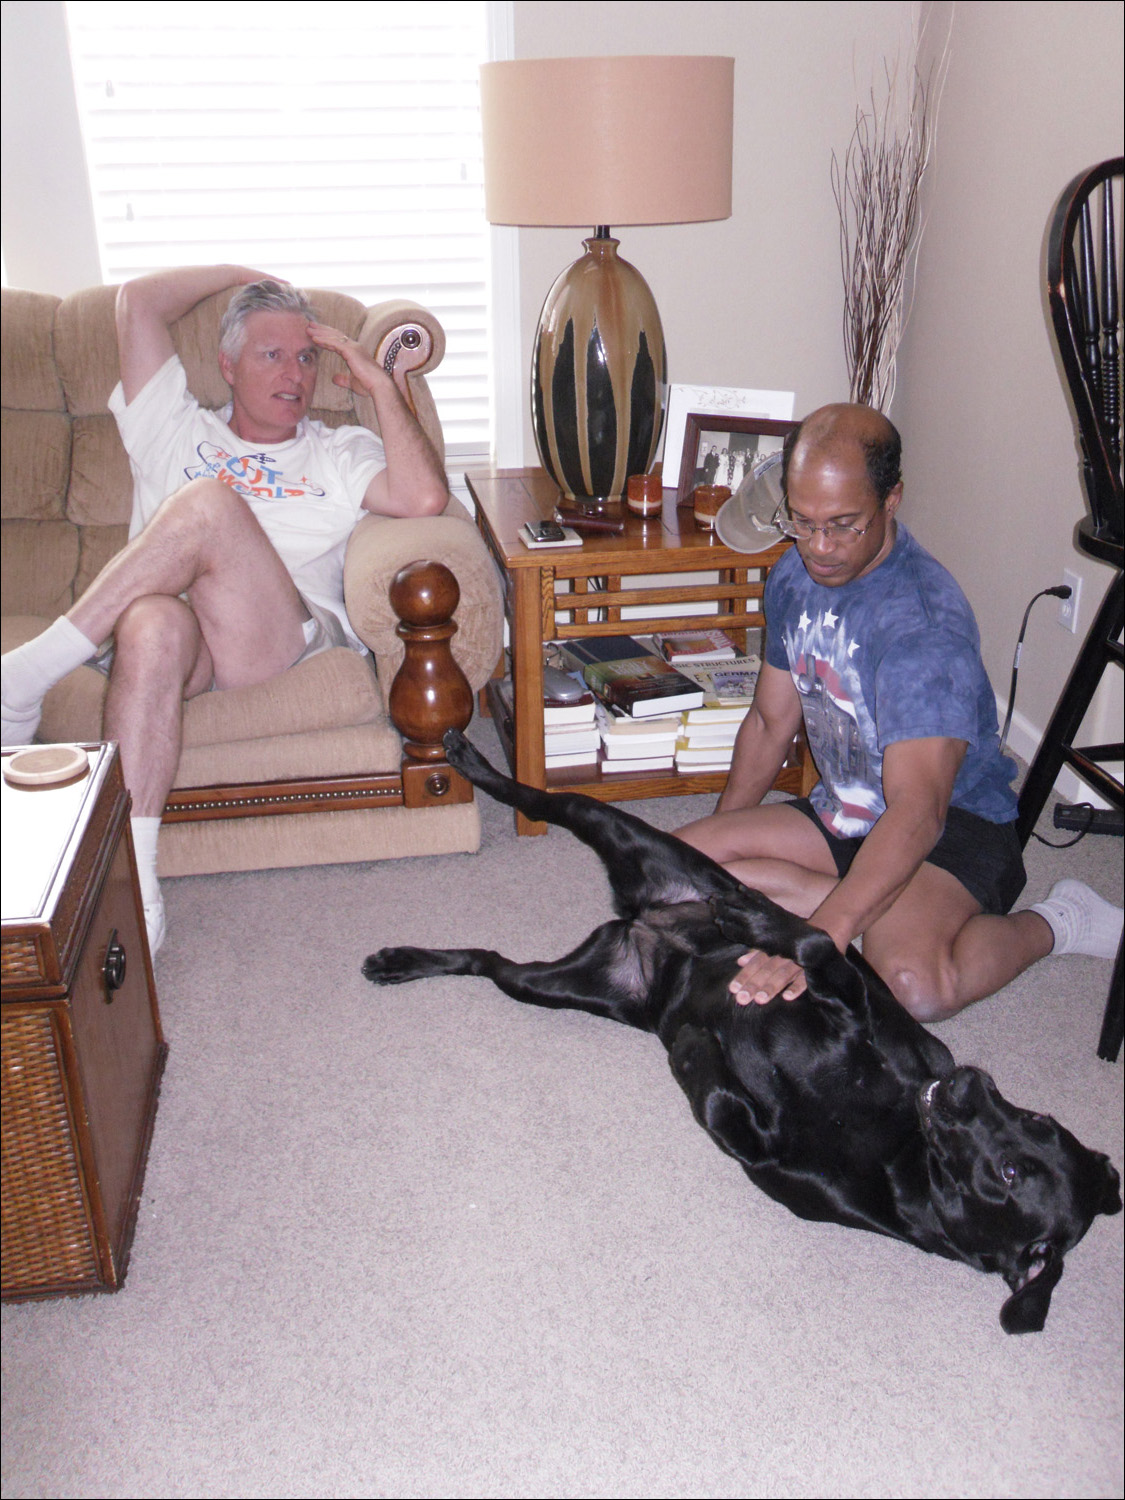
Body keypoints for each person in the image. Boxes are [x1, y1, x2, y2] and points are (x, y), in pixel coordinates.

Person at [1, 266, 449, 953]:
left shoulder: (335, 451)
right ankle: (139, 888)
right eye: (271, 354)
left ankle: (31, 672)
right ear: (227, 366)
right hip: (179, 646)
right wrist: (247, 276)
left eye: (306, 356)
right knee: (150, 623)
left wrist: (379, 383)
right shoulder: (174, 429)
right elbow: (139, 303)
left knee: (209, 504)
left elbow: (423, 500)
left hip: (270, 639)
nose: (295, 372)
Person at [677, 403, 1122, 1022]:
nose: (819, 547)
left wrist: (816, 940)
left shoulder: (923, 629)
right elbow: (768, 723)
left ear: (892, 500)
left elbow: (918, 812)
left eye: (842, 524)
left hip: (953, 828)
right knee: (670, 874)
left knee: (911, 984)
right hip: (849, 810)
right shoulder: (792, 574)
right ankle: (863, 902)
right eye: (801, 523)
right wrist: (713, 869)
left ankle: (1058, 922)